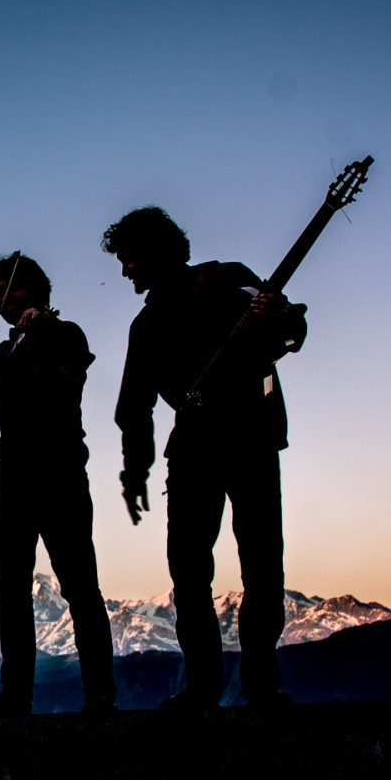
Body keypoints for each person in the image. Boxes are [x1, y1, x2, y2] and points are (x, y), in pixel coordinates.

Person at [104, 207, 308, 710]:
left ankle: (262, 687)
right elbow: (135, 406)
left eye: (131, 261)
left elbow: (288, 332)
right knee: (190, 574)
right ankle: (203, 689)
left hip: (252, 440)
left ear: (158, 253)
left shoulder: (231, 281)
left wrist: (284, 319)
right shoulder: (147, 324)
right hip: (193, 451)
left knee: (261, 567)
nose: (126, 272)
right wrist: (136, 469)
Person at [0, 253, 117, 716]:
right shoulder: (2, 354)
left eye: (10, 290)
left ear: (38, 290)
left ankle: (100, 695)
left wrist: (39, 335)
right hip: (13, 486)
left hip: (61, 480)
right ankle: (15, 696)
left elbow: (61, 382)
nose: (2, 300)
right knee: (10, 594)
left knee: (80, 589)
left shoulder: (65, 335)